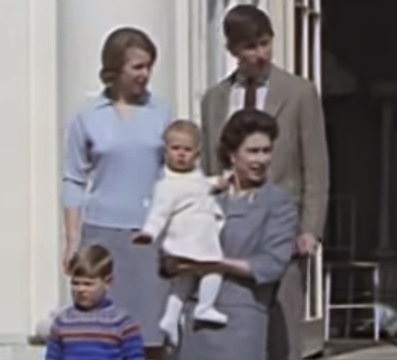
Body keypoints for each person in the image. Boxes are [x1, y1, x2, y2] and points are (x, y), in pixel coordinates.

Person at [200, 6, 329, 360]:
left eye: (264, 43)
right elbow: (211, 168)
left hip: (282, 229)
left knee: (282, 334)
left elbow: (316, 168)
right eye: (250, 47)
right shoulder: (215, 99)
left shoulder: (299, 93)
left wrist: (310, 231)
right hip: (231, 230)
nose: (260, 54)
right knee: (234, 329)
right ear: (232, 51)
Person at [61, 27, 171, 360]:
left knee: (149, 333)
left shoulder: (162, 113)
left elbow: (174, 175)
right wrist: (72, 241)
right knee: (101, 332)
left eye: (149, 66)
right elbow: (73, 180)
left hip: (149, 235)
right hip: (102, 235)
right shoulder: (87, 116)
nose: (145, 74)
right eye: (137, 67)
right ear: (115, 68)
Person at [177, 109, 298, 360]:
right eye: (253, 151)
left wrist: (218, 263)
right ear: (232, 155)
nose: (261, 159)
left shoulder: (278, 203)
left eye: (266, 151)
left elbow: (272, 263)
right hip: (195, 316)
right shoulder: (208, 194)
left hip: (243, 317)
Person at [133, 120, 228, 346]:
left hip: (196, 237)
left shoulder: (194, 177)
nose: (181, 154)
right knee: (215, 268)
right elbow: (158, 214)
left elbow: (201, 185)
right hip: (190, 239)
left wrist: (217, 182)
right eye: (175, 149)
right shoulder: (165, 185)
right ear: (165, 151)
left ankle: (170, 317)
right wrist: (148, 233)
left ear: (196, 153)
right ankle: (205, 306)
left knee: (183, 282)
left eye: (187, 150)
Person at [45, 245, 145, 360]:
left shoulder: (121, 322)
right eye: (75, 283)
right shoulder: (62, 321)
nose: (81, 289)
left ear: (108, 282)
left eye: (88, 284)